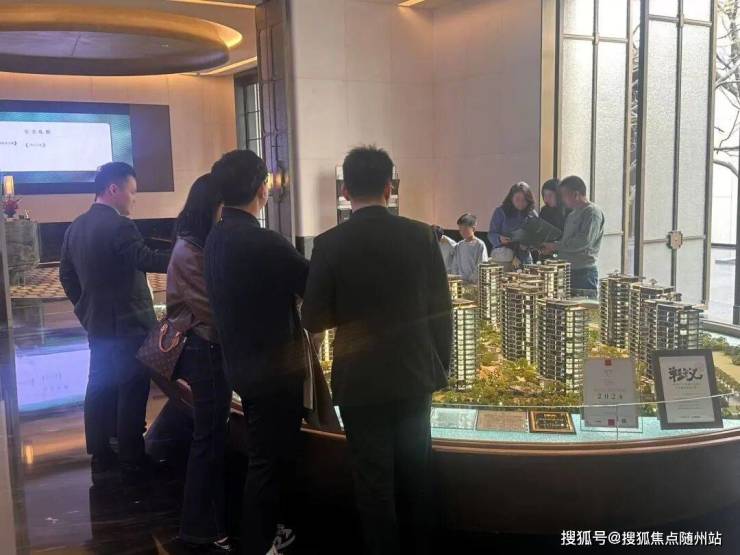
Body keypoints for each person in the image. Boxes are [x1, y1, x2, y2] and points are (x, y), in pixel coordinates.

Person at [302, 146, 452, 555]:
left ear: (345, 191)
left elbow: (313, 317)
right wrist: (441, 367)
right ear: (390, 187)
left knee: (373, 484)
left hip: (359, 381)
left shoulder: (328, 244)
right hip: (415, 375)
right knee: (416, 475)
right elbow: (442, 310)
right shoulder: (421, 235)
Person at [204, 150, 308, 555]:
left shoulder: (217, 236)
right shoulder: (264, 241)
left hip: (242, 367)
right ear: (261, 189)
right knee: (268, 462)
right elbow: (312, 283)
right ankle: (261, 543)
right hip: (274, 372)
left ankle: (265, 536)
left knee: (263, 457)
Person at [59, 162, 170, 480]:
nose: (134, 199)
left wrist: (84, 308)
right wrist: (185, 257)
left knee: (100, 385)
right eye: (132, 192)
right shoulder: (120, 225)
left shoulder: (76, 226)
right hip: (129, 323)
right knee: (132, 387)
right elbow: (145, 259)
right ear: (113, 189)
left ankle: (101, 452)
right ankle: (132, 457)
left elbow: (65, 274)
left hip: (98, 324)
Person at [166, 175, 233, 552]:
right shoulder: (190, 251)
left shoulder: (193, 245)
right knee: (208, 439)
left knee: (209, 438)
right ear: (213, 206)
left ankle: (206, 525)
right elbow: (211, 309)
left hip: (206, 348)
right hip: (203, 350)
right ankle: (202, 528)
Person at [541, 175, 605, 293]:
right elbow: (566, 242)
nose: (562, 199)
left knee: (583, 304)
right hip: (567, 270)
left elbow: (583, 242)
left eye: (564, 196)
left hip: (583, 272)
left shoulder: (592, 213)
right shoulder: (572, 214)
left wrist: (555, 246)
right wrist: (553, 249)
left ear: (576, 194)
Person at [487, 181, 538, 270]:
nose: (521, 203)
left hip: (524, 259)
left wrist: (528, 245)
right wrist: (500, 239)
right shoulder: (500, 212)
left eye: (524, 200)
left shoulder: (532, 214)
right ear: (511, 198)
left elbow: (537, 237)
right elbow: (491, 234)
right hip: (504, 258)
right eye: (517, 199)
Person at [451, 213, 488, 283]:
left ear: (473, 229)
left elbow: (482, 265)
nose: (462, 232)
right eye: (460, 229)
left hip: (474, 283)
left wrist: (472, 279)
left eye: (465, 229)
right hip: (461, 282)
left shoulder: (479, 245)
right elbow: (455, 265)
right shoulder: (459, 245)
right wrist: (456, 278)